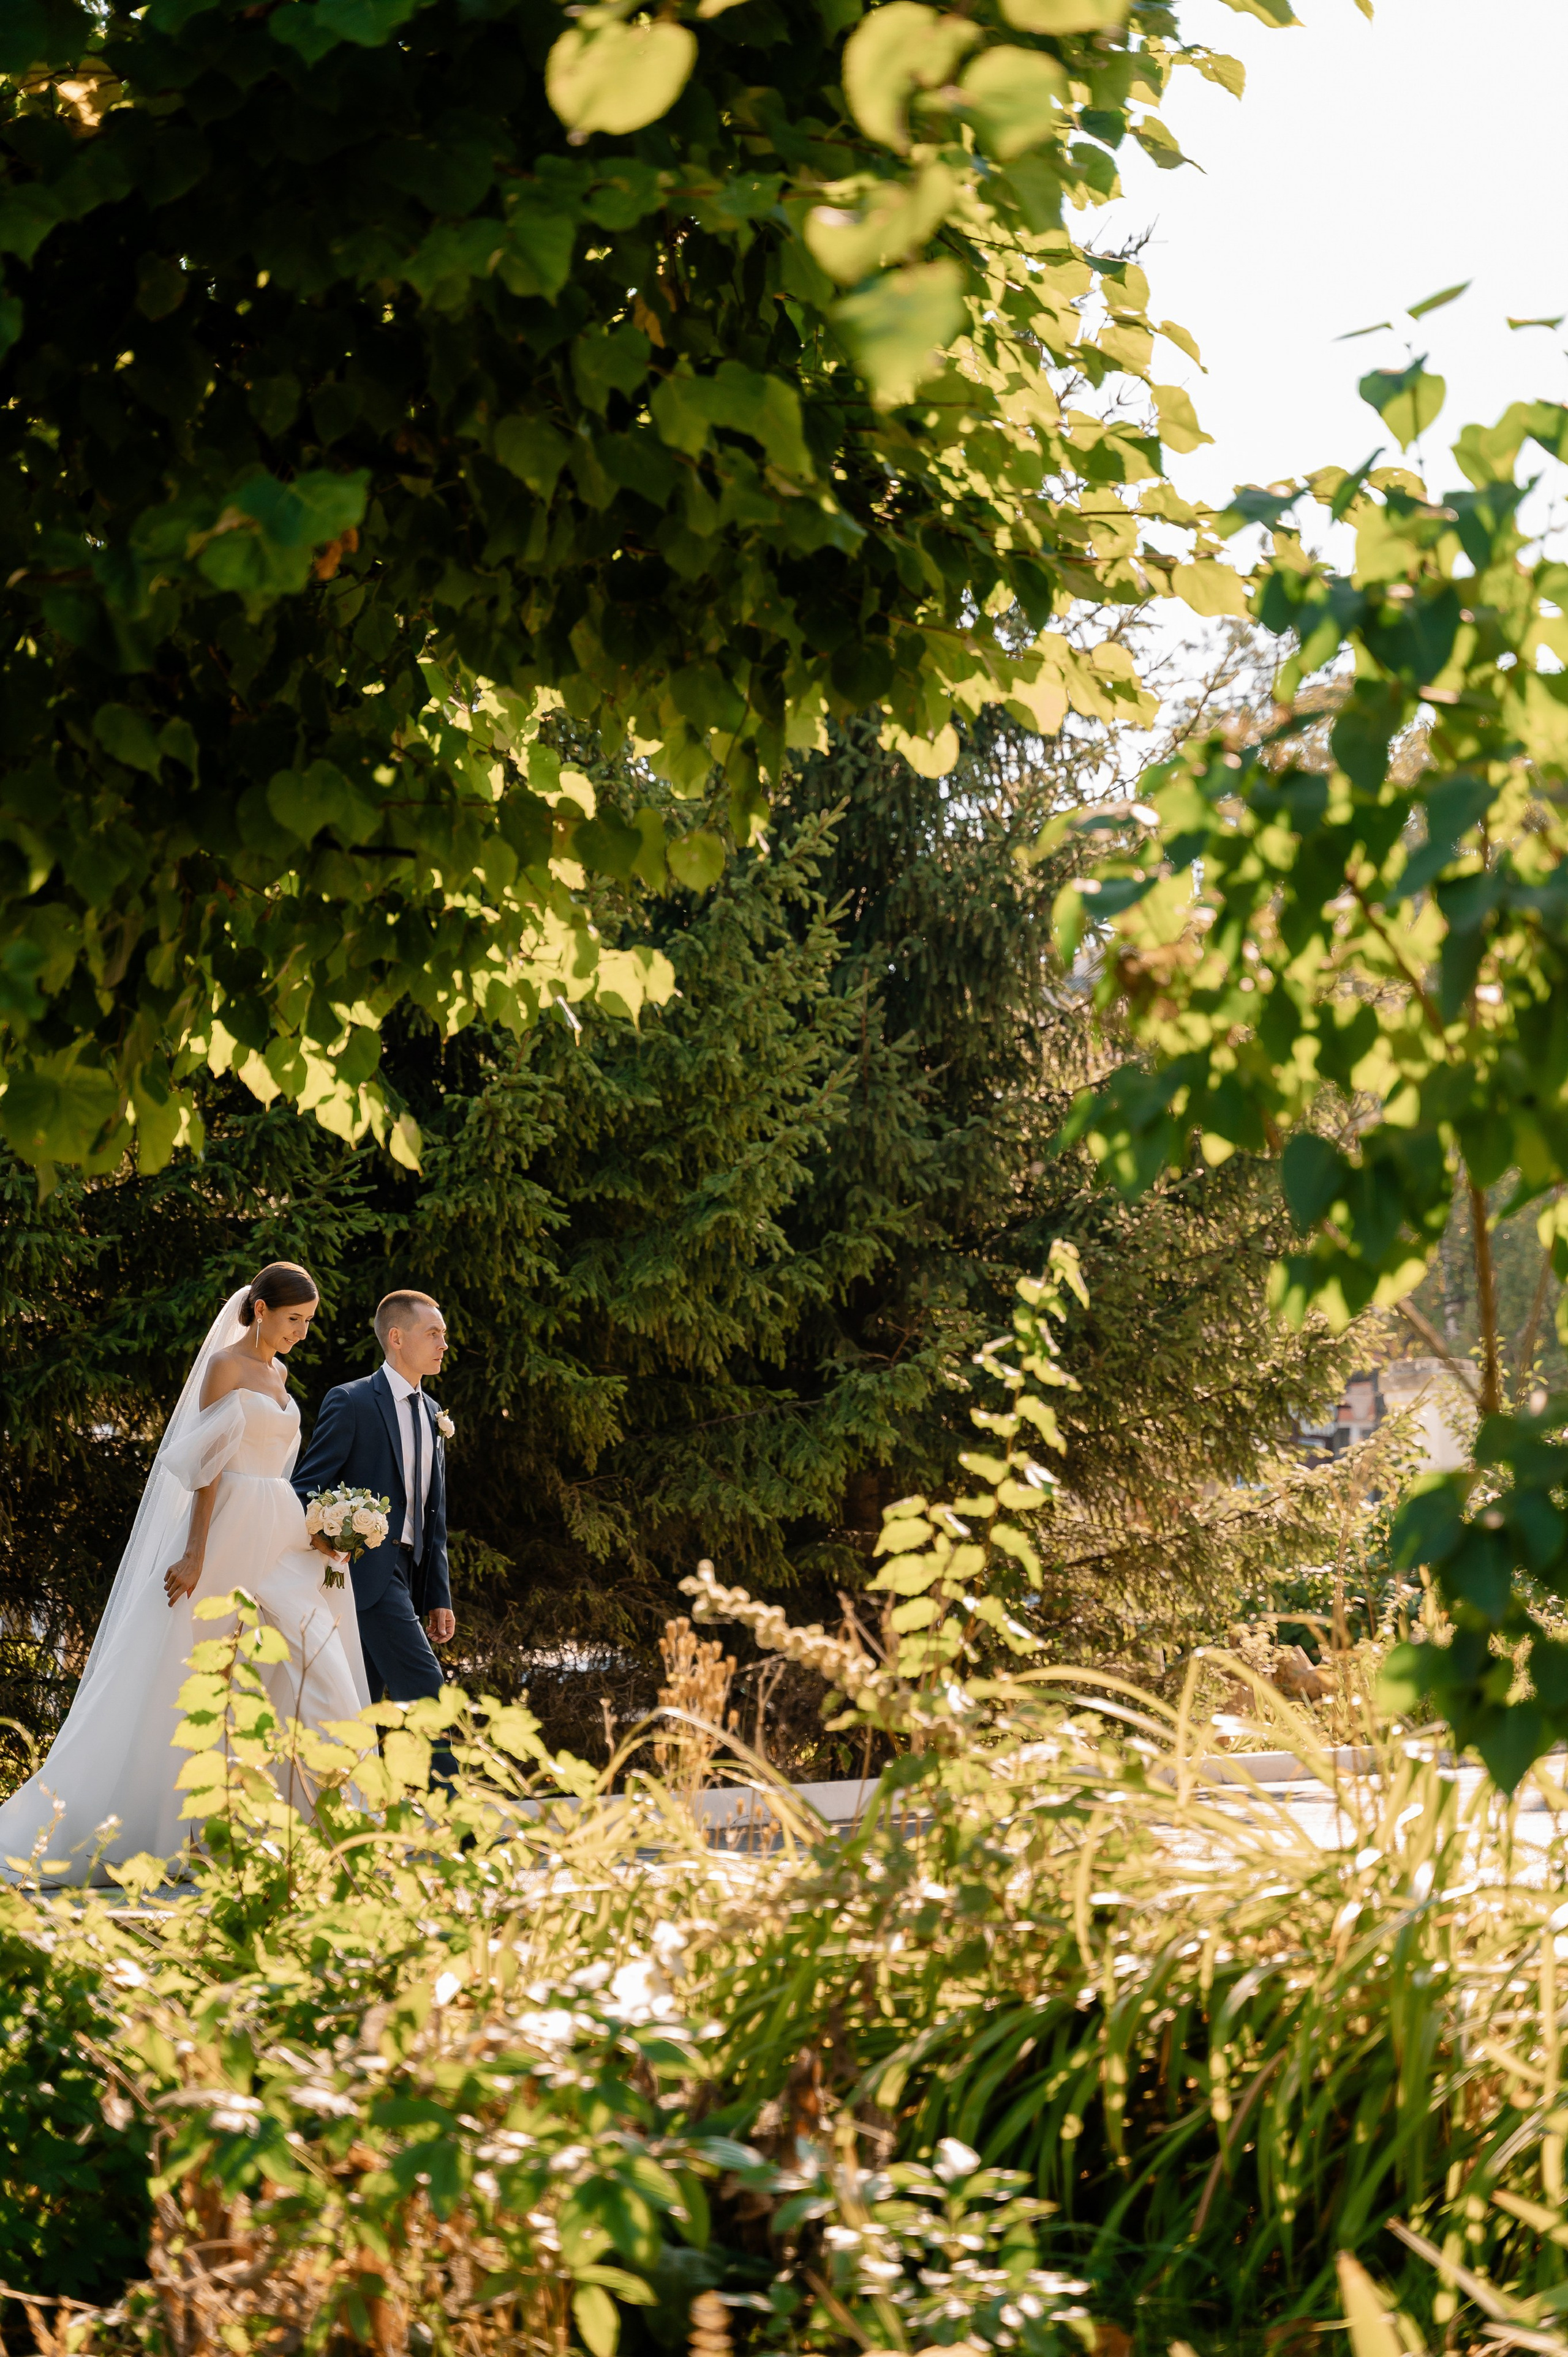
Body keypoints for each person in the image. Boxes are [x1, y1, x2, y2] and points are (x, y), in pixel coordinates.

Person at [0, 1265, 372, 1885]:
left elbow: (278, 1469)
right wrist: (197, 1550)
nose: (301, 1334)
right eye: (292, 1319)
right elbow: (209, 1465)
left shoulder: (280, 1374)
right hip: (228, 1527)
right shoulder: (226, 1367)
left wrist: (322, 1530)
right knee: (205, 1665)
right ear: (259, 1310)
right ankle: (194, 1827)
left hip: (280, 1527)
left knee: (316, 1659)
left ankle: (319, 1819)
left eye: (308, 1322)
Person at [290, 1291, 457, 1777]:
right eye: (434, 1334)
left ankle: (350, 1817)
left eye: (444, 1335)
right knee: (427, 1691)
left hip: (409, 1575)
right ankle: (459, 1831)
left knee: (362, 1709)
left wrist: (438, 1595)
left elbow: (434, 1515)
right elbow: (307, 1488)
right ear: (397, 1338)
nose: (444, 1344)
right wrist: (339, 1541)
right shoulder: (352, 1401)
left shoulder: (434, 1413)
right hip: (367, 1576)